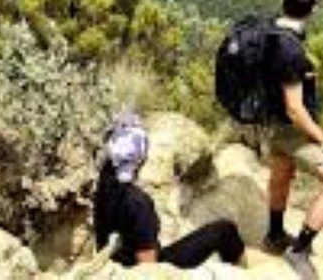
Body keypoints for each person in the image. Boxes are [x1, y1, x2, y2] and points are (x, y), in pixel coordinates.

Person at [261, 0, 323, 279]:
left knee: (282, 176)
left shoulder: (272, 30)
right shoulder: (290, 51)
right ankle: (298, 252)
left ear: (285, 2)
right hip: (290, 130)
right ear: (312, 9)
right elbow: (294, 108)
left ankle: (274, 235)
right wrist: (322, 139)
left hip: (273, 122)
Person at [93, 111, 246, 269]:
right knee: (224, 230)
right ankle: (247, 274)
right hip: (144, 271)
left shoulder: (103, 186)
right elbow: (148, 270)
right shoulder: (137, 202)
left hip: (114, 266)